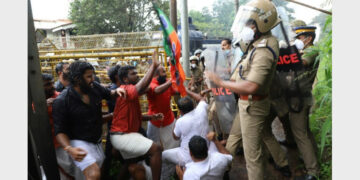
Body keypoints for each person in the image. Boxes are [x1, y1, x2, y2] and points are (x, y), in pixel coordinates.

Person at [206, 1, 284, 179]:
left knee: (252, 156)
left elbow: (251, 86)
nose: (246, 27)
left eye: (249, 23)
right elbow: (239, 74)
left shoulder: (264, 49)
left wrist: (220, 82)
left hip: (252, 104)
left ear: (262, 23)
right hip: (245, 104)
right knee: (233, 138)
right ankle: (223, 169)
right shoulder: (256, 45)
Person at [53, 61, 126, 180]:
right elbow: (60, 131)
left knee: (98, 172)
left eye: (92, 75)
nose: (93, 79)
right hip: (78, 142)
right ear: (77, 79)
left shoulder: (94, 87)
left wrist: (117, 91)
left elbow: (109, 93)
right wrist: (69, 149)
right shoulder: (62, 101)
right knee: (93, 174)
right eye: (88, 76)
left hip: (96, 141)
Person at [276, 20, 320, 180]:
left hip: (300, 98)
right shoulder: (305, 49)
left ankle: (313, 171)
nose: (296, 40)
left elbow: (301, 62)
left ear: (308, 38)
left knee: (300, 133)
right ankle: (313, 158)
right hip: (297, 95)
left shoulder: (311, 50)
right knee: (305, 131)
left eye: (298, 37)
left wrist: (285, 53)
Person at [110, 51, 164, 180]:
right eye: (133, 74)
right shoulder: (126, 89)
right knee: (156, 149)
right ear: (125, 79)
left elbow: (137, 116)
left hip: (125, 135)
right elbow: (140, 88)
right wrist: (153, 66)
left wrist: (151, 117)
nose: (137, 75)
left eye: (136, 72)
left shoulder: (130, 92)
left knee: (131, 165)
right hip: (122, 136)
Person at [162, 89, 217, 167]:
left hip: (188, 156)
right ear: (194, 105)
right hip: (205, 150)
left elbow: (175, 137)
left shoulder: (180, 121)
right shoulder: (201, 109)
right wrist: (186, 90)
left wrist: (177, 120)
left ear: (180, 111)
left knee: (162, 155)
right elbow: (201, 99)